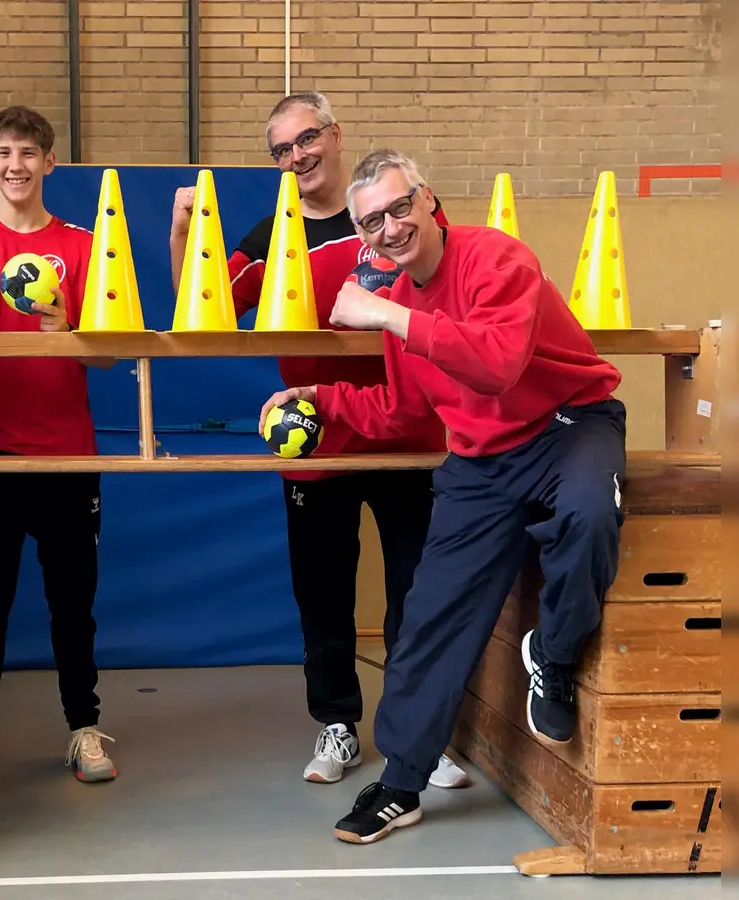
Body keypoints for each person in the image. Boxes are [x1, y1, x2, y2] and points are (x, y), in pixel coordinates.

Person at [261, 150, 625, 844]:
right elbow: (401, 411)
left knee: (585, 514)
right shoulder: (397, 302)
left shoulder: (495, 259)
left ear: (428, 201)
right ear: (363, 234)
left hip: (569, 425)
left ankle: (555, 649)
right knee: (431, 617)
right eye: (373, 222)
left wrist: (389, 318)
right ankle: (402, 783)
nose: (391, 228)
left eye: (401, 207)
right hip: (482, 459)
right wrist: (322, 400)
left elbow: (494, 364)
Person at [171, 91, 468, 790]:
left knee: (416, 595)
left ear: (335, 136)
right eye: (281, 149)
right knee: (324, 595)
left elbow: (452, 282)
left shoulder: (394, 214)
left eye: (306, 139)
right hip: (315, 440)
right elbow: (200, 307)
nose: (297, 156)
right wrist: (185, 232)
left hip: (406, 432)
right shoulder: (269, 232)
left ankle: (419, 734)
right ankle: (336, 724)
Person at [0, 105, 118, 789]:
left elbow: (106, 359)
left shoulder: (86, 245)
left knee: (73, 600)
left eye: (29, 153)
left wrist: (70, 329)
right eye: (3, 152)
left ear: (49, 163)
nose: (15, 165)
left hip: (66, 453)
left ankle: (83, 729)